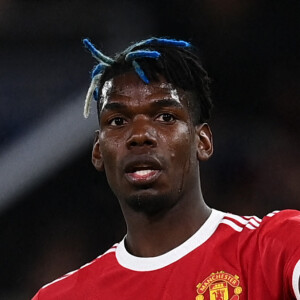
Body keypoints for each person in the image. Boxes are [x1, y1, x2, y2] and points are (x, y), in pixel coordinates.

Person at [33, 37, 300, 299]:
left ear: (203, 142)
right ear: (98, 151)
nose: (139, 135)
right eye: (117, 121)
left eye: (165, 117)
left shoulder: (273, 248)